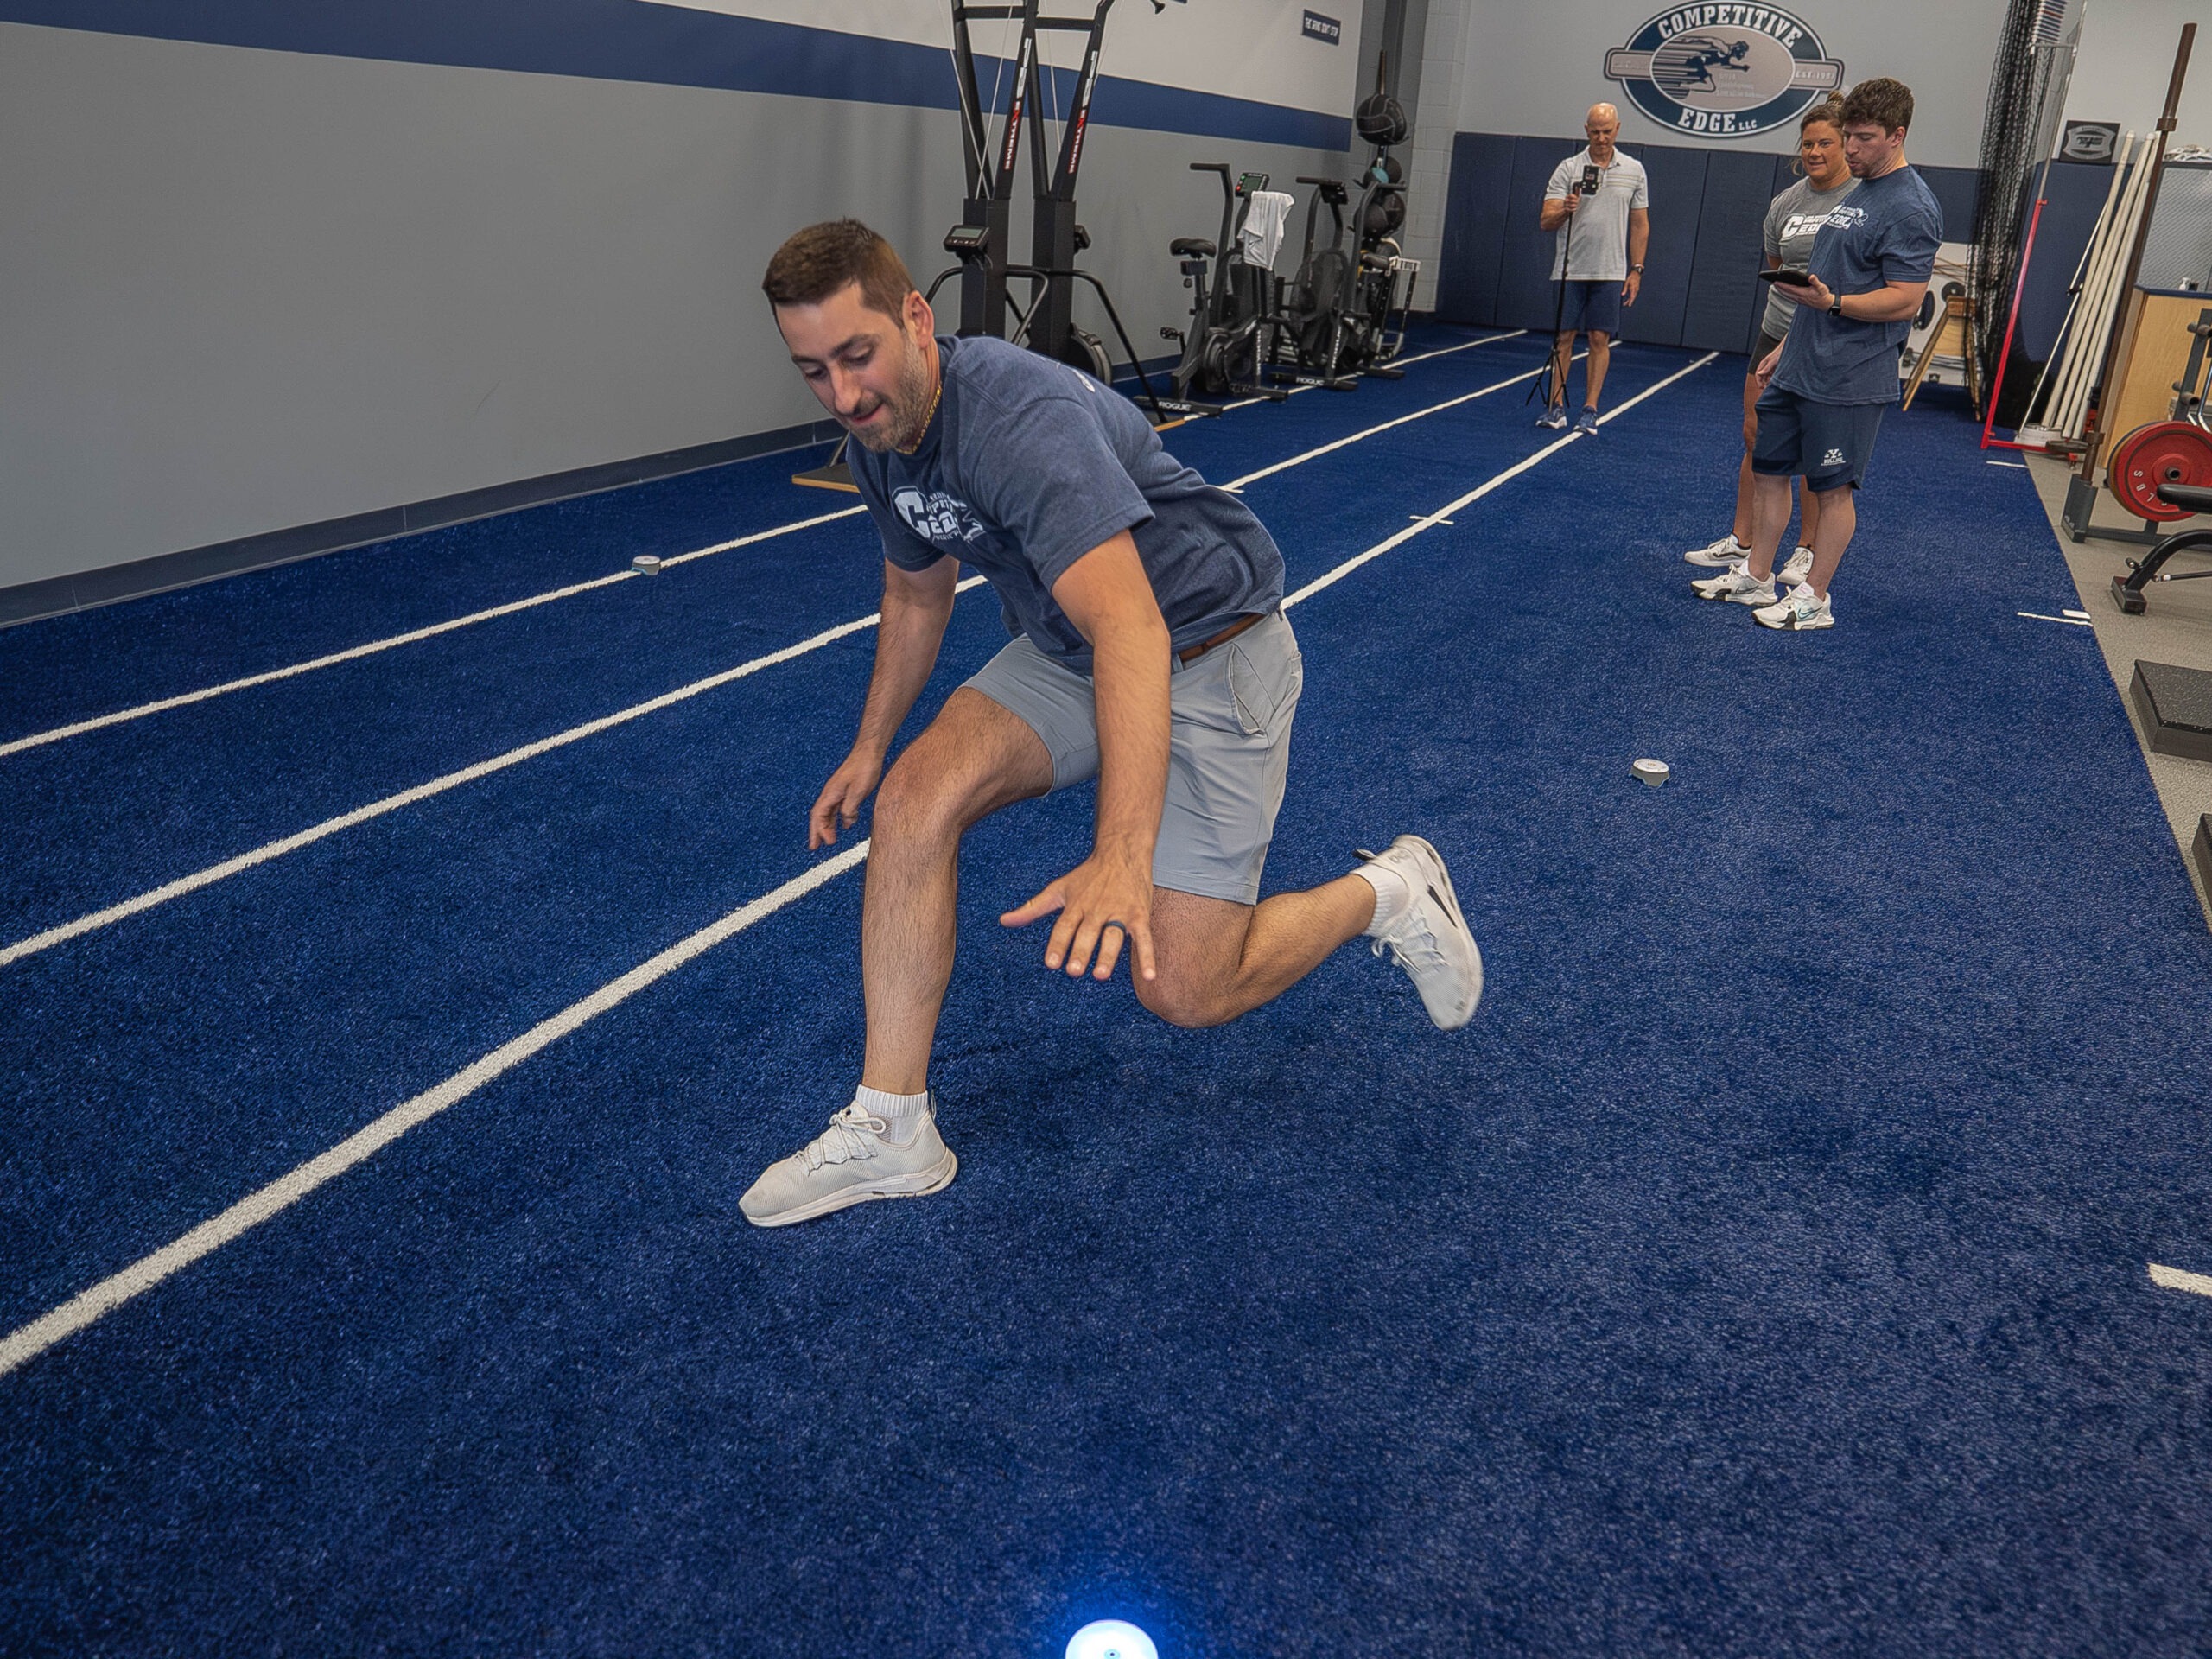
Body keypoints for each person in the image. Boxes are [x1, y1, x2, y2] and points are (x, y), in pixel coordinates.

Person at [739, 219, 1484, 1228]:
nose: (841, 393)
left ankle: (1390, 890)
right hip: (1072, 647)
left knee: (1188, 989)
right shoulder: (882, 433)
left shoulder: (1016, 422)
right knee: (914, 800)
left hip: (1209, 650)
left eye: (856, 356)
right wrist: (871, 746)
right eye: (813, 370)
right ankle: (894, 1128)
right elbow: (917, 593)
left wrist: (1121, 857)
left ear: (914, 317)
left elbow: (1135, 630)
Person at [1692, 78, 1940, 631]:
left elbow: (1906, 299)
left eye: (1864, 138)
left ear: (1897, 135)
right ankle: (1757, 575)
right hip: (1800, 360)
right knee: (1770, 469)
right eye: (1847, 135)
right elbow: (1825, 279)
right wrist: (1787, 343)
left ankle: (1814, 597)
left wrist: (1834, 304)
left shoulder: (1911, 207)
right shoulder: (1858, 192)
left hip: (1850, 373)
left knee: (1831, 490)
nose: (1850, 148)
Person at [1683, 99, 1858, 584]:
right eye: (1808, 143)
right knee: (1757, 437)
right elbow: (1776, 262)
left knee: (1813, 446)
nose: (1815, 152)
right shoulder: (1786, 201)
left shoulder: (1858, 201)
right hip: (1776, 329)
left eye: (1826, 143)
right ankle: (1743, 541)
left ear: (1845, 144)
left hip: (1824, 337)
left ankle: (1805, 550)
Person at [1537, 103, 1649, 436]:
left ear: (1617, 129)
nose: (1601, 138)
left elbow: (1640, 225)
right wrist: (1565, 210)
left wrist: (1636, 270)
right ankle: (1556, 407)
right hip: (1570, 269)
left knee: (1600, 338)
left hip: (1610, 270)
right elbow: (1546, 220)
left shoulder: (1634, 170)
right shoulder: (1568, 168)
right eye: (1596, 132)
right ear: (1586, 130)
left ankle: (1590, 409)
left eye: (1607, 131)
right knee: (1564, 338)